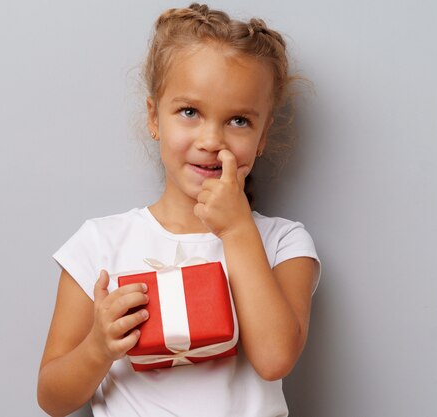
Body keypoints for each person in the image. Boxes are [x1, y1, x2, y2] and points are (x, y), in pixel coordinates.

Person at [37, 3, 320, 416]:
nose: (211, 139)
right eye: (190, 112)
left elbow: (275, 359)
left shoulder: (285, 243)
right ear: (155, 117)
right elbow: (52, 398)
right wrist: (98, 347)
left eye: (239, 120)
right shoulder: (99, 244)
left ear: (263, 136)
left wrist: (238, 229)